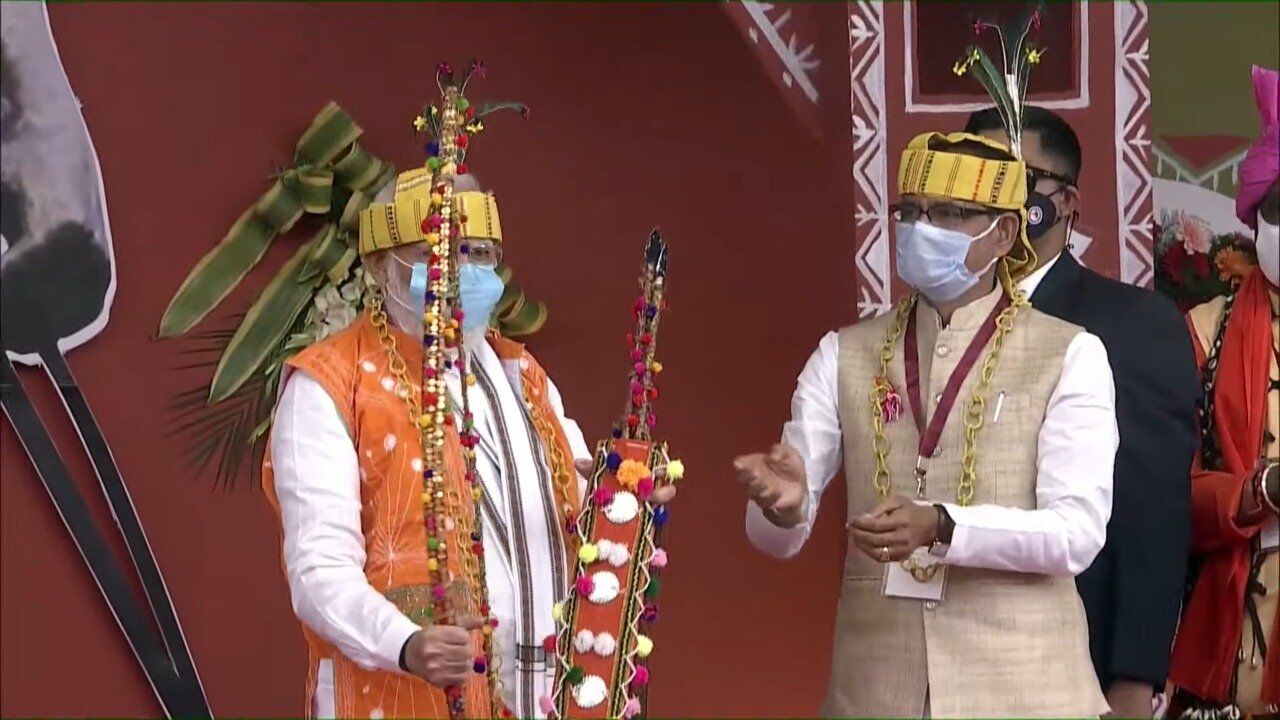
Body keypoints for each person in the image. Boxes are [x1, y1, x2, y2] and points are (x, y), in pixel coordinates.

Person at [262, 76, 674, 719]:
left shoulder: (519, 372)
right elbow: (318, 571)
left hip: (544, 697)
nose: (463, 271)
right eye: (438, 251)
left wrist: (626, 495)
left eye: (479, 254)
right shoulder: (329, 384)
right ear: (380, 267)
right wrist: (406, 644)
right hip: (404, 693)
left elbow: (576, 502)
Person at [737, 122, 1117, 712]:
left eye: (947, 213)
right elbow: (777, 538)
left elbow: (1076, 533)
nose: (921, 229)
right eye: (910, 212)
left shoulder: (1069, 353)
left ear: (1004, 232)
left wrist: (943, 525)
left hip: (1025, 691)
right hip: (876, 691)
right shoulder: (842, 353)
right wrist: (782, 506)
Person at [963, 105, 1200, 717]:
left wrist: (1134, 677)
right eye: (976, 176)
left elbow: (1150, 515)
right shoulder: (926, 326)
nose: (994, 196)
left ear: (1065, 201)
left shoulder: (1134, 324)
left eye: (1015, 177)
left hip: (1070, 668)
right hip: (943, 662)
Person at [1169, 64, 1280, 719]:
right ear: (1256, 220)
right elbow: (1168, 495)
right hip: (1240, 619)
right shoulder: (1203, 331)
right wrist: (1260, 490)